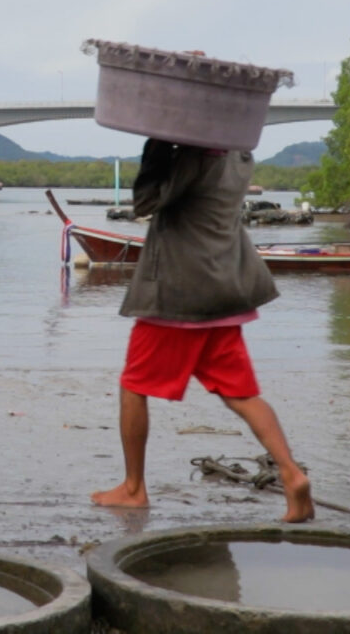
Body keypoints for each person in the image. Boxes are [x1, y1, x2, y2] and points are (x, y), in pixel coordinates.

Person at [91, 138, 315, 523]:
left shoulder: (193, 160)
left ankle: (132, 488)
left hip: (180, 292)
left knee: (133, 386)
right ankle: (292, 475)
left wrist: (157, 148)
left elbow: (146, 203)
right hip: (223, 290)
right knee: (242, 395)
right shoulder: (240, 155)